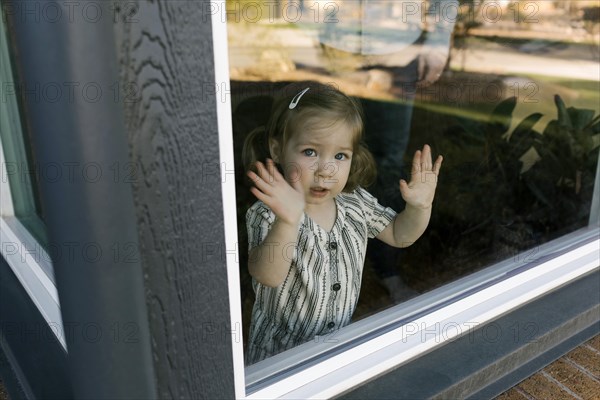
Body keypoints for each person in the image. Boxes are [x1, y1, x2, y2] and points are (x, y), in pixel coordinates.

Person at [242, 81, 442, 364]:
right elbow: (268, 275)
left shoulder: (355, 201)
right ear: (277, 149)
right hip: (281, 358)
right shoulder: (268, 213)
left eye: (340, 155)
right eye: (310, 151)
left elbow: (400, 234)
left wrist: (420, 207)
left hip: (335, 350)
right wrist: (288, 221)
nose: (326, 169)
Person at [312, 0, 458, 301]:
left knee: (388, 164)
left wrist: (439, 38)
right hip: (334, 43)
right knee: (323, 153)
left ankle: (386, 269)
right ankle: (320, 272)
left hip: (398, 46)